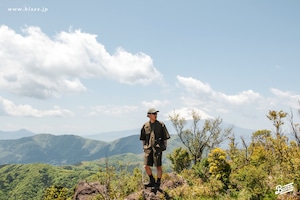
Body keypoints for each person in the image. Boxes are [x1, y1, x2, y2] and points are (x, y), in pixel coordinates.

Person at [140, 108, 170, 189]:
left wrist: (164, 147)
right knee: (146, 166)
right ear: (149, 115)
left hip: (157, 149)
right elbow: (143, 138)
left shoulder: (161, 125)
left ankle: (158, 183)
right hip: (148, 149)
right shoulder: (145, 126)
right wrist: (144, 147)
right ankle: (152, 180)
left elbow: (165, 137)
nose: (155, 115)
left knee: (158, 166)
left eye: (156, 114)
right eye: (154, 114)